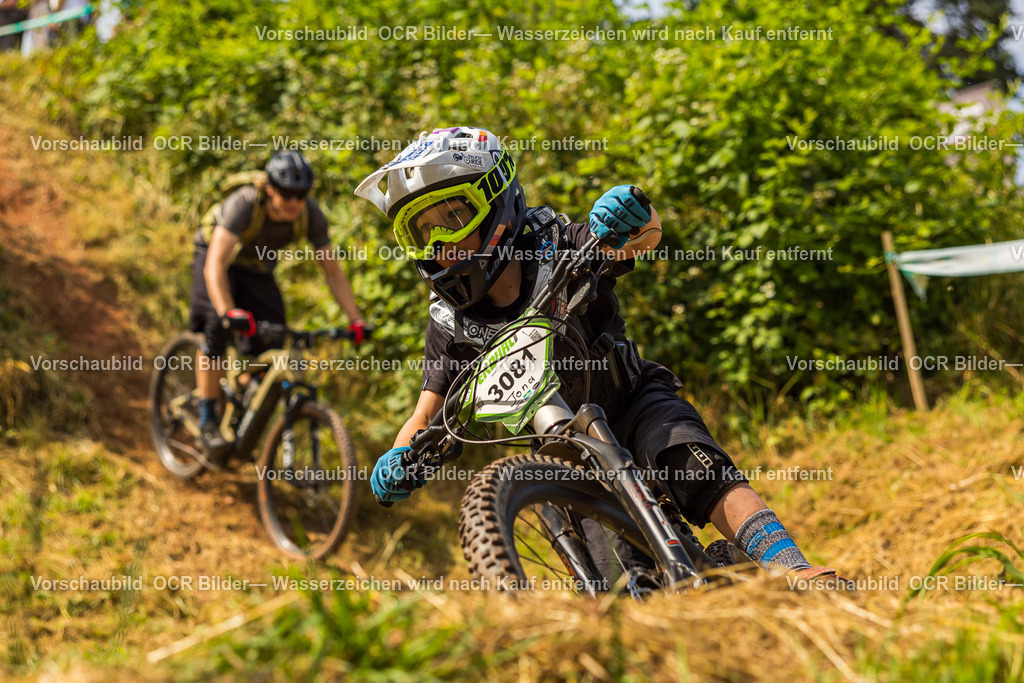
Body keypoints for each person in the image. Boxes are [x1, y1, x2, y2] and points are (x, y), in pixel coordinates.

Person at [354, 126, 846, 584]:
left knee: (694, 469)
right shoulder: (449, 322)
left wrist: (630, 213)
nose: (440, 244)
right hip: (564, 457)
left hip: (631, 402)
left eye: (454, 218)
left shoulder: (557, 244)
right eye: (422, 233)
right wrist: (401, 454)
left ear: (496, 203)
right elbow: (427, 409)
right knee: (616, 576)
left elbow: (643, 238)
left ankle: (794, 571)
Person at [190, 150, 366, 453]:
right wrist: (227, 312)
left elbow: (332, 271)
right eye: (287, 194)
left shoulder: (311, 215)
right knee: (216, 328)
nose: (294, 202)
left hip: (256, 270)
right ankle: (206, 420)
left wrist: (355, 319)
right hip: (217, 259)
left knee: (274, 336)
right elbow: (215, 265)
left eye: (301, 195)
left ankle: (241, 393)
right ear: (270, 188)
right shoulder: (244, 204)